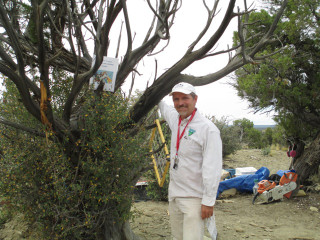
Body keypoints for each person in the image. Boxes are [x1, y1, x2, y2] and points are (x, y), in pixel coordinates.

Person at [158, 82, 222, 240]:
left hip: (195, 199)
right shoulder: (176, 120)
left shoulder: (208, 129)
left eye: (185, 98)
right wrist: (155, 90)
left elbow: (212, 168)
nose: (180, 103)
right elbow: (163, 107)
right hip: (174, 196)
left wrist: (208, 201)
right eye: (176, 99)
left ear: (195, 99)